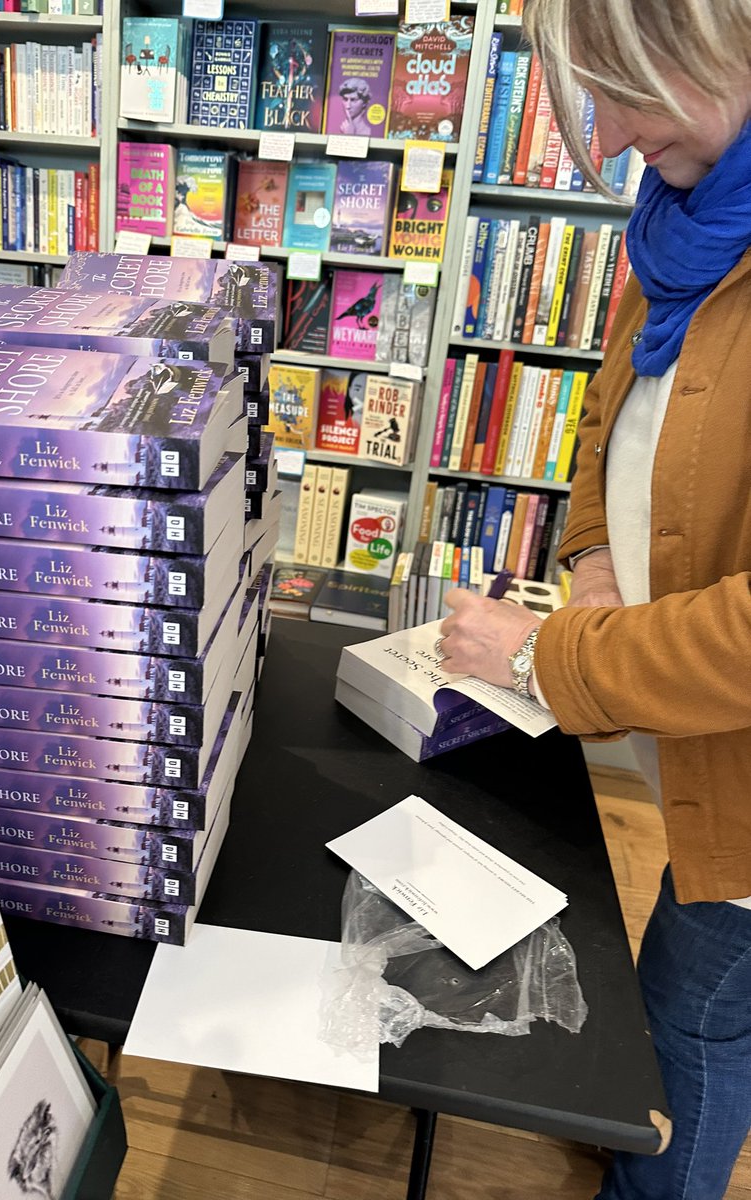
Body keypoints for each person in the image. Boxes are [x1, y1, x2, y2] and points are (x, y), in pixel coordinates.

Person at [434, 2, 751, 1197]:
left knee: (702, 1009)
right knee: (686, 975)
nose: (609, 139)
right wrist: (589, 564)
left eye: (624, 92)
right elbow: (607, 420)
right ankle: (639, 1124)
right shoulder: (683, 224)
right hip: (704, 748)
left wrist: (538, 661)